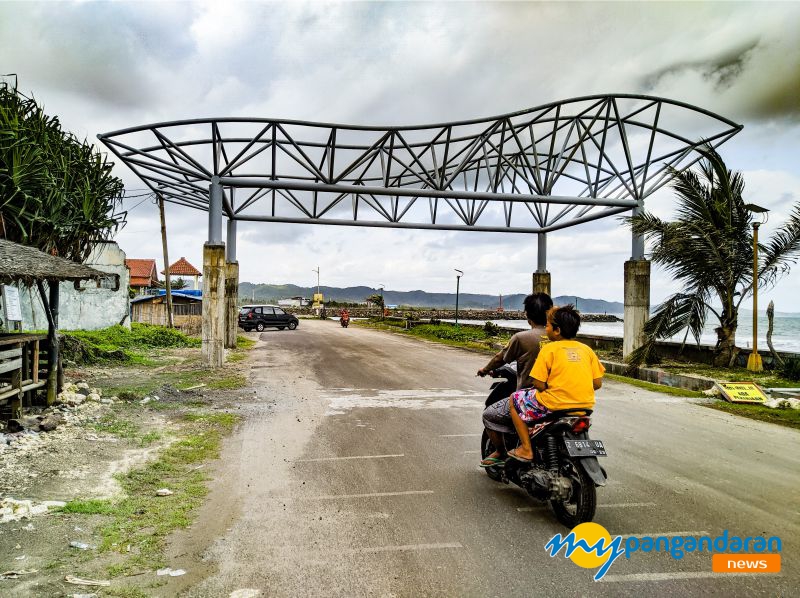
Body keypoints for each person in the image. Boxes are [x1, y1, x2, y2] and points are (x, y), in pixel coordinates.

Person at [506, 305, 605, 462]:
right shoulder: (587, 350)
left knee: (514, 399)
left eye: (548, 325)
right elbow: (597, 383)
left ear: (557, 330)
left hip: (554, 405)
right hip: (584, 407)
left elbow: (538, 383)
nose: (546, 329)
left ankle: (526, 448)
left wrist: (551, 388)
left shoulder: (549, 349)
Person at [477, 292, 553, 467]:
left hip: (532, 398)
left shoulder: (521, 338)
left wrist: (485, 370)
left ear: (527, 315)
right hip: (560, 395)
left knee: (489, 415)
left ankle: (502, 453)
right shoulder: (559, 339)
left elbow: (500, 358)